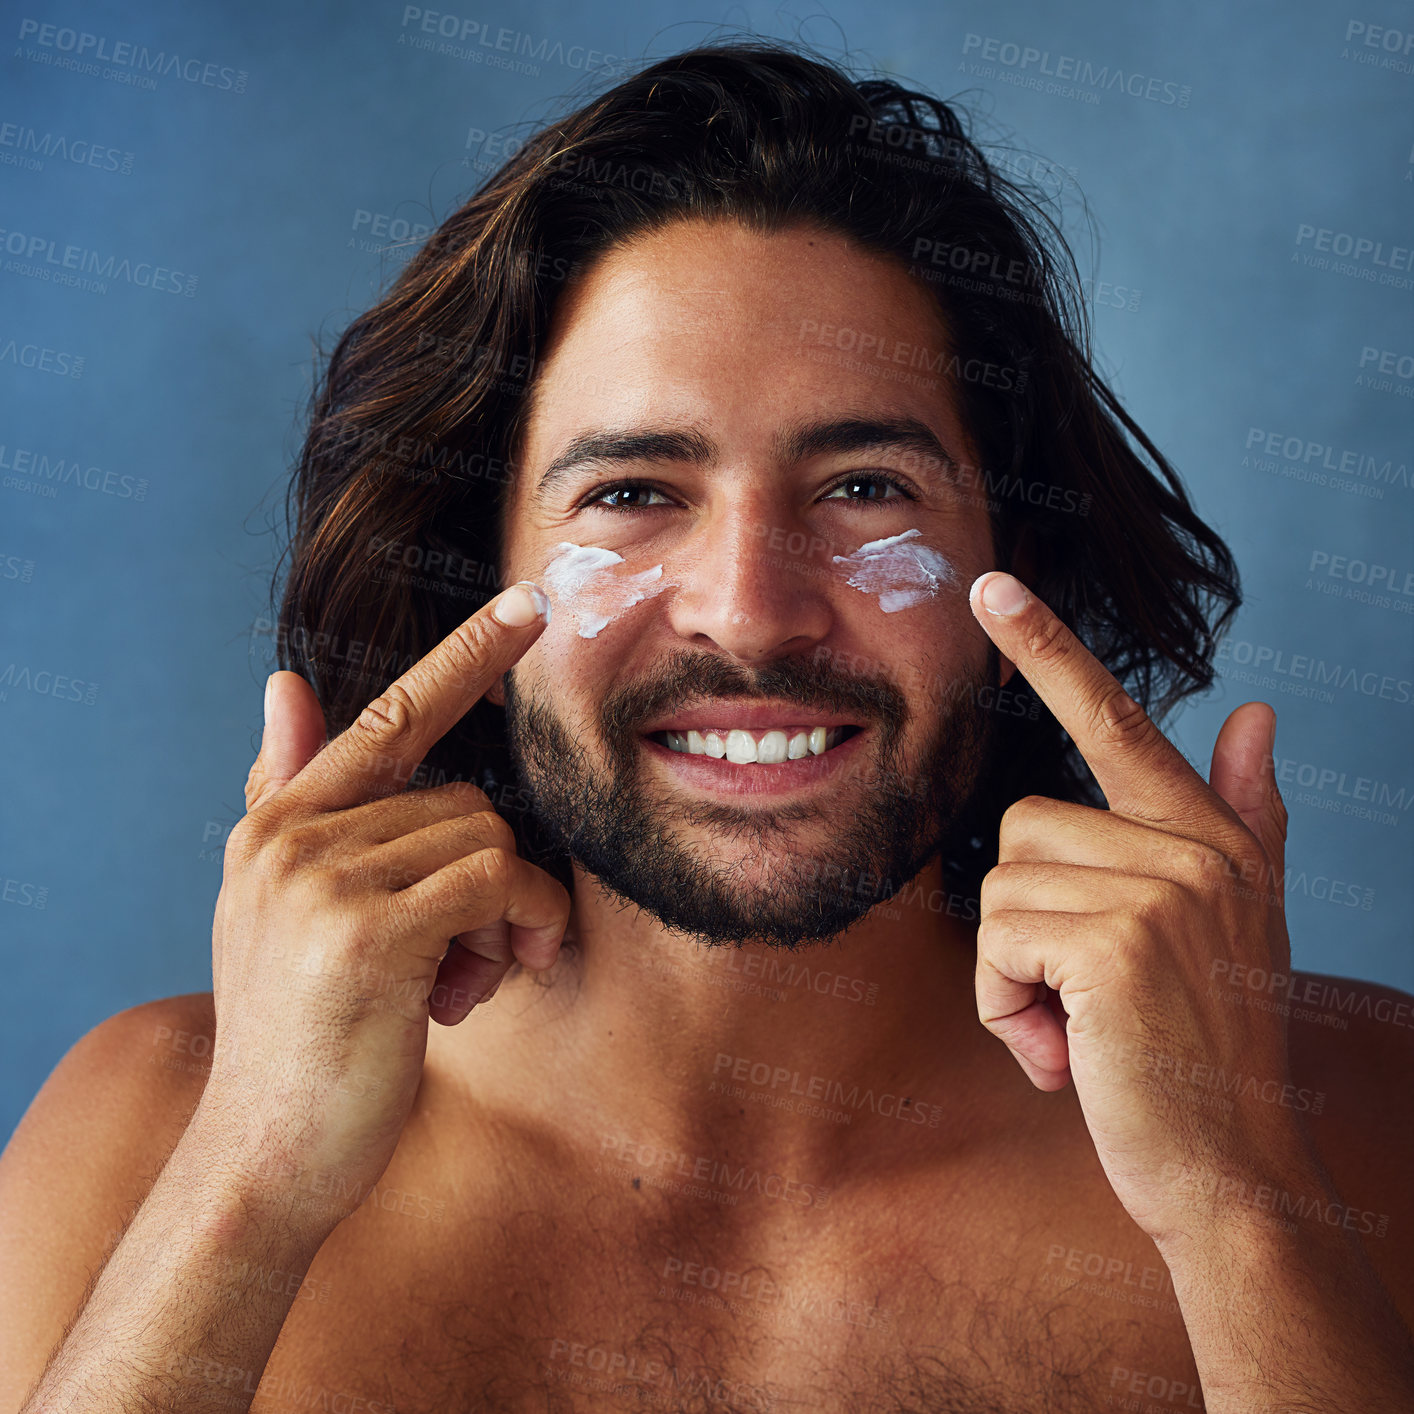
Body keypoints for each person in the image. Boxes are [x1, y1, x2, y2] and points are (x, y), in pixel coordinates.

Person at [3, 38, 1411, 1414]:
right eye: (628, 492)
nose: (750, 614)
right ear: (475, 591)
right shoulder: (155, 1128)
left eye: (865, 486)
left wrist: (1240, 1206)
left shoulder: (1362, 1126)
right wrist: (247, 1180)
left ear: (1017, 578)